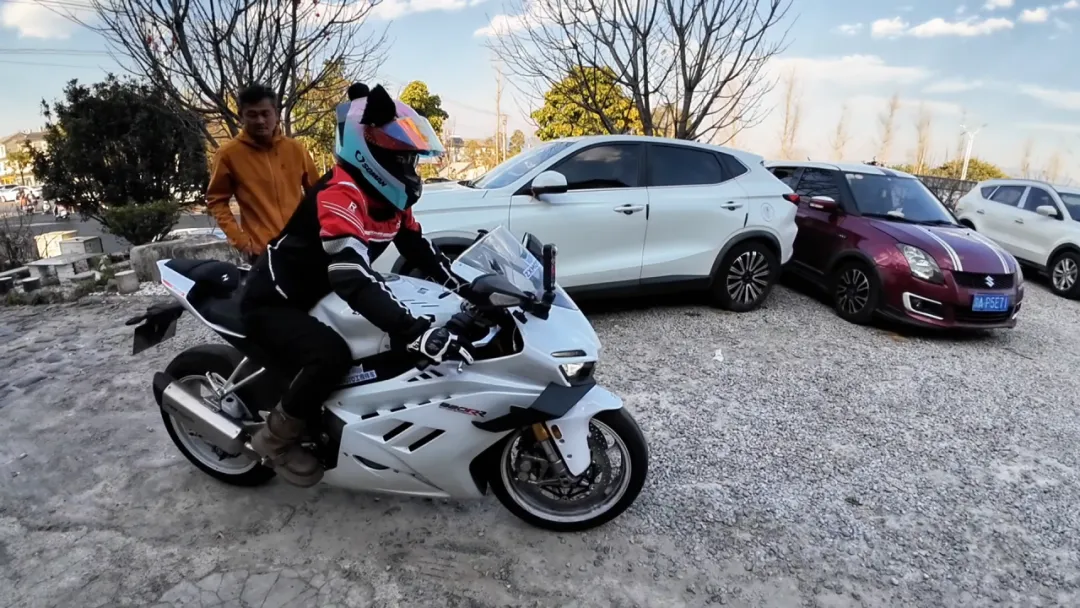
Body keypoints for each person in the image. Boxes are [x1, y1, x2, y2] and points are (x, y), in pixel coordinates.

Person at [239, 82, 471, 487]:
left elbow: (416, 245)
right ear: (370, 153)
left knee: (381, 347)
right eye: (401, 158)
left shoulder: (389, 198)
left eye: (412, 160)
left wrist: (467, 286)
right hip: (275, 300)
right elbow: (350, 275)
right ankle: (274, 440)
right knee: (331, 356)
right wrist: (415, 331)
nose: (409, 169)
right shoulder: (340, 194)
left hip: (321, 292)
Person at [206, 84, 322, 262]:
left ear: (276, 114)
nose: (260, 121)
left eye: (265, 113)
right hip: (262, 251)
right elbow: (216, 201)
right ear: (241, 116)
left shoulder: (295, 149)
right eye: (252, 115)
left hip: (303, 246)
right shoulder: (228, 155)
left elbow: (318, 194)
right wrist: (240, 240)